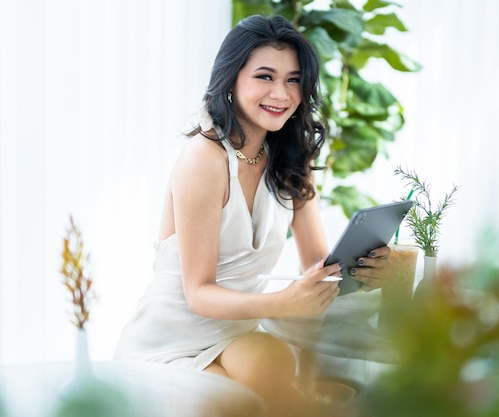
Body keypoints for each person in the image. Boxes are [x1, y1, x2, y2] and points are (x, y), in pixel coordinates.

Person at [114, 14, 390, 417]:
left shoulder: (291, 159)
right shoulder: (204, 160)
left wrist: (361, 270)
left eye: (294, 79)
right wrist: (284, 302)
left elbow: (318, 262)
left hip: (233, 334)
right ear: (231, 79)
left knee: (274, 360)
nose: (281, 93)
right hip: (167, 341)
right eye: (265, 76)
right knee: (233, 404)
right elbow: (199, 293)